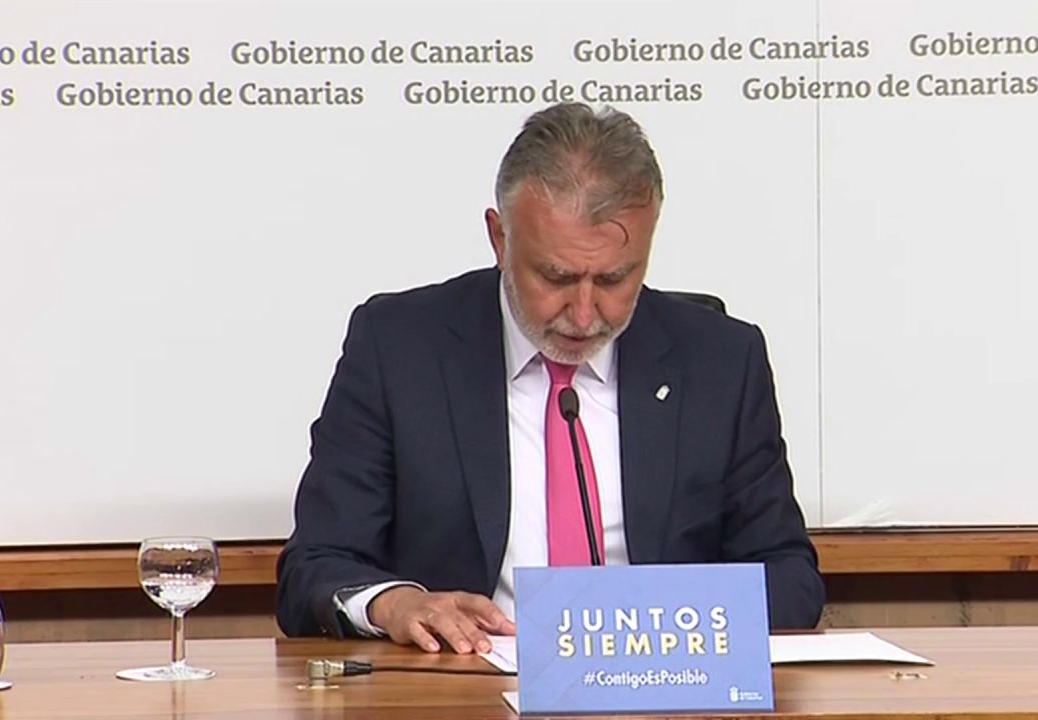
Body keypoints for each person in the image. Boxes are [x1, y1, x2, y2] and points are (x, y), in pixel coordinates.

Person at [276, 102, 823, 653]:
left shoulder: (720, 362)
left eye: (614, 279)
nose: (584, 315)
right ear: (500, 239)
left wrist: (662, 622)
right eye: (556, 277)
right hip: (463, 682)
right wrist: (396, 604)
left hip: (662, 679)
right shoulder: (399, 350)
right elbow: (315, 565)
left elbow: (789, 578)